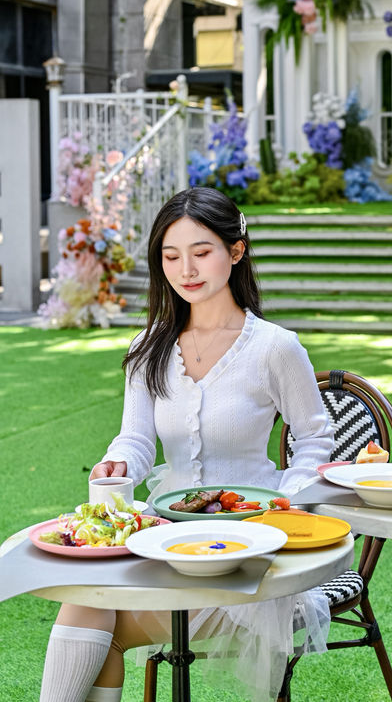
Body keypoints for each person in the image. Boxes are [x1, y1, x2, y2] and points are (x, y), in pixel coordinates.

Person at [39, 187, 335, 702]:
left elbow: (315, 436)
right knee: (83, 605)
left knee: (94, 625)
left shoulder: (274, 348)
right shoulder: (147, 347)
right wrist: (117, 464)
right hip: (162, 541)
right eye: (171, 256)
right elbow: (135, 438)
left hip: (250, 553)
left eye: (202, 252)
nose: (186, 269)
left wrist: (290, 498)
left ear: (235, 251)